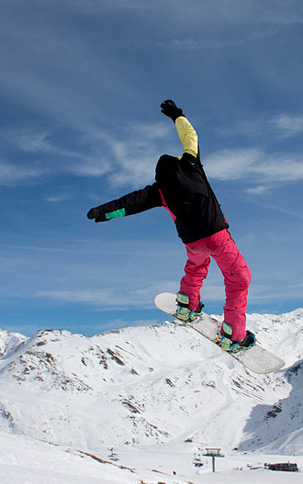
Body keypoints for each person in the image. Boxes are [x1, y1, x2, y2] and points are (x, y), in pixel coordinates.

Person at [87, 100, 254, 352]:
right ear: (179, 162)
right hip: (217, 235)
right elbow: (190, 136)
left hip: (193, 242)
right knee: (238, 279)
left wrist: (103, 213)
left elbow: (129, 204)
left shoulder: (159, 190)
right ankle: (234, 334)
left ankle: (187, 303)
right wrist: (177, 115)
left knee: (196, 267)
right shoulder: (191, 164)